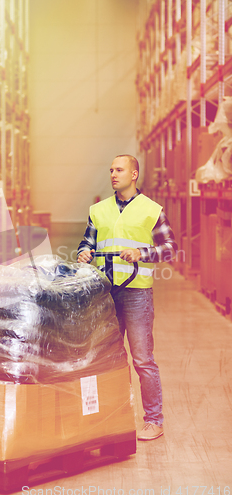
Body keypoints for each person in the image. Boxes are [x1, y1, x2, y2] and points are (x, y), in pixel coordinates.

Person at [77, 154, 177, 441]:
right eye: (110, 170)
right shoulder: (98, 210)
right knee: (106, 359)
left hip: (136, 294)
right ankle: (111, 420)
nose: (113, 174)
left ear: (134, 174)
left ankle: (154, 421)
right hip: (105, 294)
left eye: (119, 170)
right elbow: (88, 241)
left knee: (143, 359)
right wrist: (83, 252)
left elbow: (170, 248)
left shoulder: (151, 210)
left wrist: (142, 253)